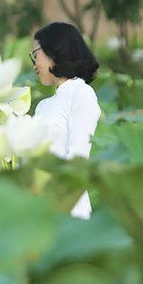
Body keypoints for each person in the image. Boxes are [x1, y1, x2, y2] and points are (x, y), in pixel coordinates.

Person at [30, 22, 101, 219]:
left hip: (69, 204)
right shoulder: (43, 106)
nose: (34, 64)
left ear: (55, 50)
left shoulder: (81, 93)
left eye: (35, 55)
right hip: (41, 202)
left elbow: (78, 156)